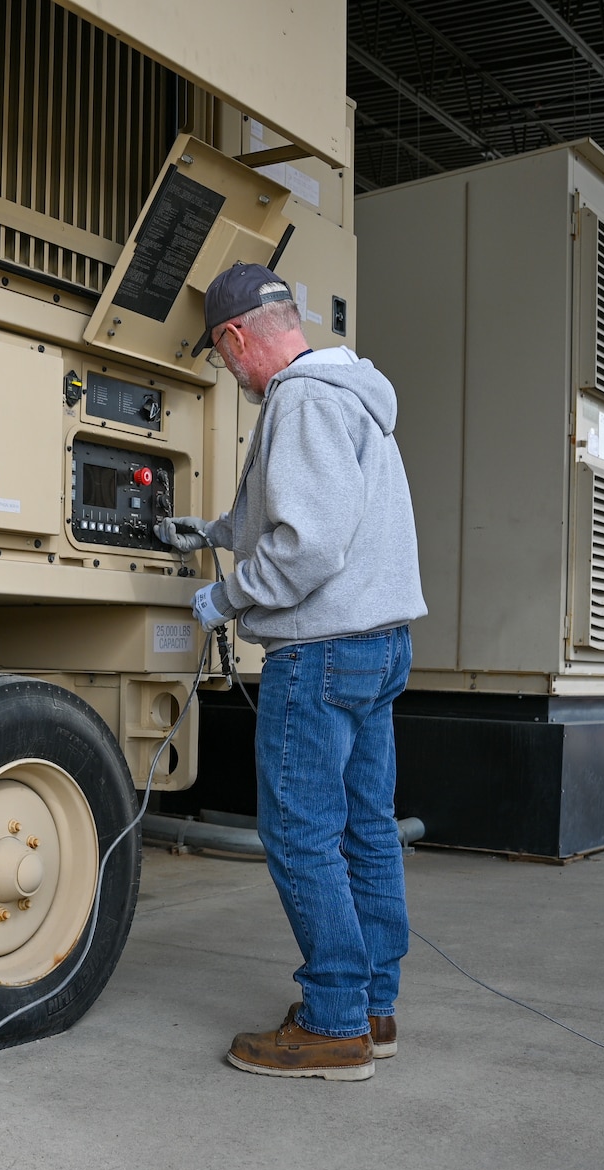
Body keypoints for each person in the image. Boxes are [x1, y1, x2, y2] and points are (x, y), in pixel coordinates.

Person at [156, 262, 425, 1082]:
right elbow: (292, 511)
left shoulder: (300, 401)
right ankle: (374, 1007)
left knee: (300, 833)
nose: (228, 373)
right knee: (366, 827)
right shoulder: (353, 395)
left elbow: (307, 544)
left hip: (322, 652)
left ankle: (334, 1021)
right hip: (379, 645)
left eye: (222, 356)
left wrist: (223, 599)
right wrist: (211, 530)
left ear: (237, 337)